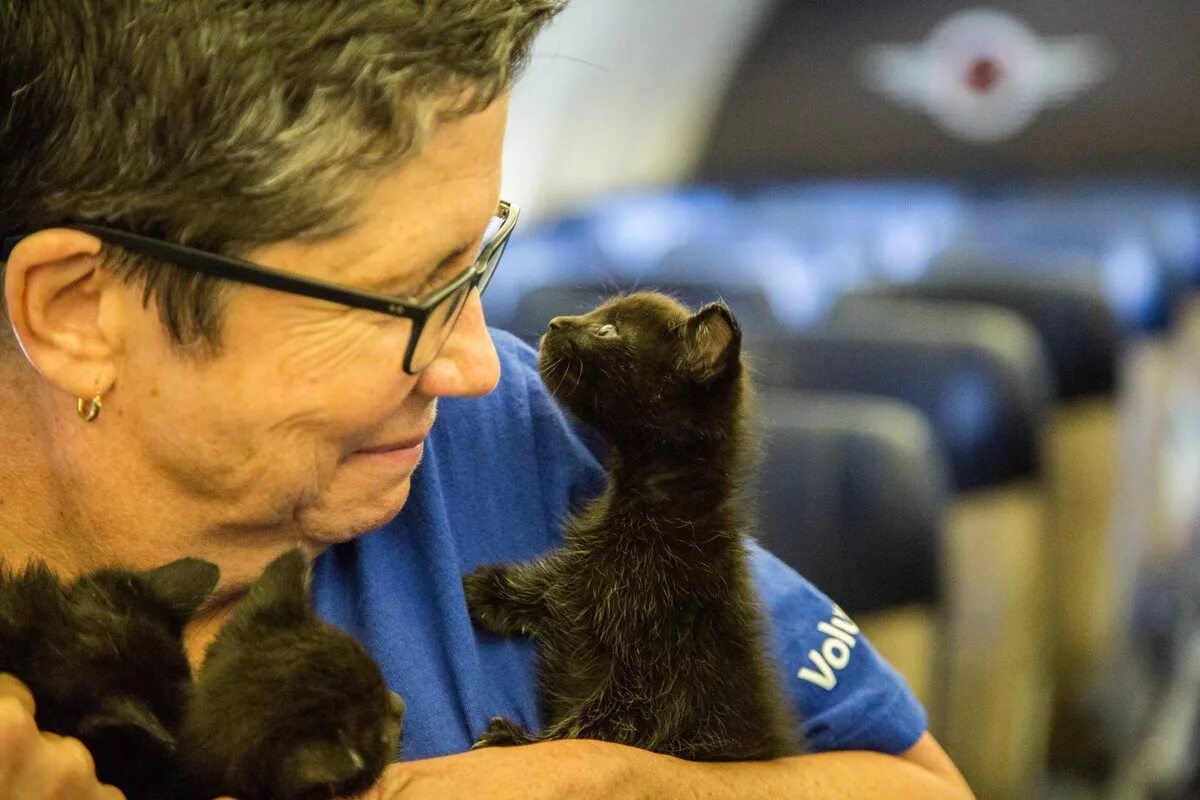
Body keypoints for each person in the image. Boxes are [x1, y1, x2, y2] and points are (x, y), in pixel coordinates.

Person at [0, 1, 974, 798]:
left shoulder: (504, 434)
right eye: (406, 295)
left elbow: (925, 785)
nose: (475, 358)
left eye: (476, 260)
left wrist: (629, 785)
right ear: (80, 313)